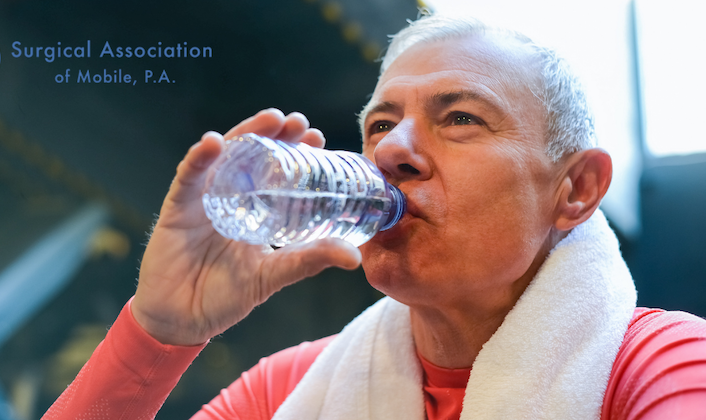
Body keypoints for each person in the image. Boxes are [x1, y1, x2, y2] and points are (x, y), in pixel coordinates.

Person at [43, 14, 706, 420]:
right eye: (381, 125)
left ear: (577, 189)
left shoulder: (660, 366)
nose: (392, 151)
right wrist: (158, 331)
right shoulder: (290, 389)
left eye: (461, 119)